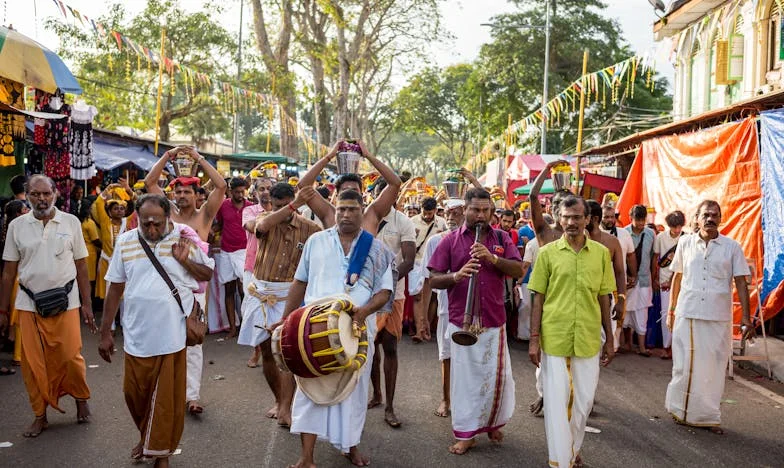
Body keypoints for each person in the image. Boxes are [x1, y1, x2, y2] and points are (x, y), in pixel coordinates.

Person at [99, 194, 214, 467]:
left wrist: (185, 260)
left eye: (157, 224)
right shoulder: (126, 241)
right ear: (136, 218)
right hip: (136, 335)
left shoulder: (185, 240)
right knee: (134, 395)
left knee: (165, 402)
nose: (151, 229)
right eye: (145, 223)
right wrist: (105, 332)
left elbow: (207, 274)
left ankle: (160, 453)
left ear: (168, 218)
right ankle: (148, 438)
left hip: (172, 336)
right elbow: (115, 287)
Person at [285, 189, 394, 468]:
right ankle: (306, 457)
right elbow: (300, 282)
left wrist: (365, 311)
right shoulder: (316, 241)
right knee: (310, 388)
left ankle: (351, 447)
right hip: (313, 329)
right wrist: (286, 321)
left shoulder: (376, 248)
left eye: (352, 209)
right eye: (341, 209)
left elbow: (384, 292)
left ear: (362, 211)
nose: (345, 214)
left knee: (354, 393)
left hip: (357, 330)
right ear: (334, 210)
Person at [428, 188, 523, 455]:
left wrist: (493, 259)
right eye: (475, 210)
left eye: (486, 210)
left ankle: (491, 423)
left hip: (494, 320)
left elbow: (518, 269)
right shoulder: (450, 241)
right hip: (462, 322)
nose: (481, 215)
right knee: (466, 381)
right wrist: (456, 276)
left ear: (492, 212)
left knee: (497, 378)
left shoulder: (502, 238)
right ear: (465, 210)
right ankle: (467, 433)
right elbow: (434, 279)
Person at [0, 175, 96, 437]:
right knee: (32, 364)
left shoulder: (71, 222)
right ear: (27, 196)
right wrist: (3, 310)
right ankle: (40, 414)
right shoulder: (17, 226)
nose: (41, 199)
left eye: (46, 194)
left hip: (67, 301)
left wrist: (87, 304)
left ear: (55, 194)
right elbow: (8, 272)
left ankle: (80, 399)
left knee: (70, 356)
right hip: (28, 303)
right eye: (35, 194)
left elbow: (81, 265)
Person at [527, 195, 615, 468]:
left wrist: (610, 338)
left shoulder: (600, 253)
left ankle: (573, 451)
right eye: (566, 217)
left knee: (583, 403)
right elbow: (537, 297)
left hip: (588, 337)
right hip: (555, 336)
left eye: (577, 217)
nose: (572, 222)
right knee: (557, 402)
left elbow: (604, 297)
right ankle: (561, 460)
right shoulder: (547, 252)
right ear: (559, 219)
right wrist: (533, 339)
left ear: (588, 219)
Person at [144, 145, 228, 416]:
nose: (181, 195)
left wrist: (197, 158)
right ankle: (165, 390)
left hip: (195, 287)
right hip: (166, 285)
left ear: (196, 194)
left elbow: (221, 185)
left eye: (186, 191)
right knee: (165, 337)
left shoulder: (204, 215)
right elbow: (149, 183)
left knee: (193, 339)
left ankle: (192, 396)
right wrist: (168, 156)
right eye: (177, 191)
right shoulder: (167, 213)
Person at [665, 200, 751, 434]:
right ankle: (679, 410)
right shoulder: (684, 243)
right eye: (706, 214)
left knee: (713, 368)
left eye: (715, 215)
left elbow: (741, 281)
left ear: (720, 219)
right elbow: (677, 278)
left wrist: (746, 316)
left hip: (717, 315)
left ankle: (707, 416)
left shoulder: (731, 247)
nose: (710, 218)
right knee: (684, 365)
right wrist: (671, 311)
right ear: (697, 218)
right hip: (688, 311)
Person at [238, 183, 320, 427]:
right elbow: (261, 227)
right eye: (278, 207)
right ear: (270, 205)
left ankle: (286, 407)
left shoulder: (310, 229)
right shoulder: (263, 219)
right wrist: (292, 207)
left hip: (290, 296)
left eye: (288, 206)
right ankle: (279, 400)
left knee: (286, 353)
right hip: (261, 293)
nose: (284, 211)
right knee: (266, 353)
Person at [368, 178, 416, 429]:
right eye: (378, 195)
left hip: (393, 294)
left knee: (390, 347)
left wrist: (386, 281)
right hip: (365, 295)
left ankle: (390, 406)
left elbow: (409, 259)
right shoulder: (367, 218)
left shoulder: (404, 222)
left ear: (394, 198)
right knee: (369, 348)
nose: (382, 199)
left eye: (387, 194)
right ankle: (376, 394)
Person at [298, 139, 401, 236]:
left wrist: (368, 155)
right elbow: (303, 185)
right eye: (345, 190)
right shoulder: (329, 213)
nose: (350, 193)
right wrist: (329, 157)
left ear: (361, 194)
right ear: (337, 195)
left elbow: (395, 184)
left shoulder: (371, 214)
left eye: (354, 190)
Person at [421, 199, 465, 418]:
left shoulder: (474, 240)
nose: (451, 217)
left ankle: (467, 402)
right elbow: (428, 282)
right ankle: (446, 399)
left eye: (456, 212)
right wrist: (422, 319)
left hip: (470, 310)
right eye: (447, 212)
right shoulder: (435, 241)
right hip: (446, 310)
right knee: (446, 355)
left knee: (469, 358)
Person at [240, 177, 273, 368]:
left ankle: (275, 351)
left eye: (269, 188)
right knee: (253, 310)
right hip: (253, 267)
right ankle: (257, 350)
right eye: (262, 189)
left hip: (278, 268)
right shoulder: (249, 211)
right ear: (254, 193)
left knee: (275, 311)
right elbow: (254, 227)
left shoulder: (281, 209)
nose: (266, 192)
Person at [585, 200, 627, 348]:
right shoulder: (575, 241)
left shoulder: (612, 242)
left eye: (584, 216)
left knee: (602, 343)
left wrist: (621, 300)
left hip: (605, 298)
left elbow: (620, 272)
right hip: (582, 297)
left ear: (594, 219)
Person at [215, 177, 252, 337]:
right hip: (226, 252)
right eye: (236, 192)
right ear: (230, 191)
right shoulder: (223, 206)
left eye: (242, 191)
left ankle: (246, 325)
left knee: (245, 290)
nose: (240, 194)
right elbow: (220, 225)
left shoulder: (251, 207)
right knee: (228, 290)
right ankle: (232, 328)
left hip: (244, 252)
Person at [92, 179, 137, 303]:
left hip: (123, 263)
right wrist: (109, 187)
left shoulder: (127, 221)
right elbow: (99, 202)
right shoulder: (105, 221)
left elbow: (140, 205)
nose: (119, 211)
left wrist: (129, 191)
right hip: (107, 261)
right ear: (110, 211)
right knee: (108, 294)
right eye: (115, 208)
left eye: (122, 208)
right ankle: (110, 322)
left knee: (124, 294)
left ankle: (123, 321)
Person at [600, 204, 637, 349]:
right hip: (602, 283)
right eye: (606, 217)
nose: (610, 220)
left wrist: (633, 275)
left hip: (619, 282)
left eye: (612, 217)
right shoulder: (595, 234)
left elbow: (631, 255)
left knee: (619, 314)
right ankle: (604, 344)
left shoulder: (623, 233)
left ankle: (614, 345)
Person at [623, 205, 657, 356]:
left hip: (644, 280)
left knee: (642, 313)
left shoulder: (651, 234)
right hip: (627, 280)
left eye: (643, 220)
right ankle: (628, 344)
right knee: (625, 312)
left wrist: (654, 277)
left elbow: (653, 258)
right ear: (631, 218)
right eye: (638, 220)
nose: (641, 223)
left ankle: (642, 347)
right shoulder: (624, 233)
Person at [1, 200, 29, 371]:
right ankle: (18, 356)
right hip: (18, 280)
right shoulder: (19, 231)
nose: (27, 210)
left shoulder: (11, 229)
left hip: (15, 280)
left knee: (17, 318)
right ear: (18, 213)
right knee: (19, 319)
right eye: (24, 208)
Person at [653, 210, 685, 360]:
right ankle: (666, 347)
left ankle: (676, 348)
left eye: (679, 227)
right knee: (667, 314)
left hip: (682, 282)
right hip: (664, 281)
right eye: (674, 227)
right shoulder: (660, 238)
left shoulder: (686, 239)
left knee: (681, 315)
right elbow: (655, 258)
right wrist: (655, 278)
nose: (677, 230)